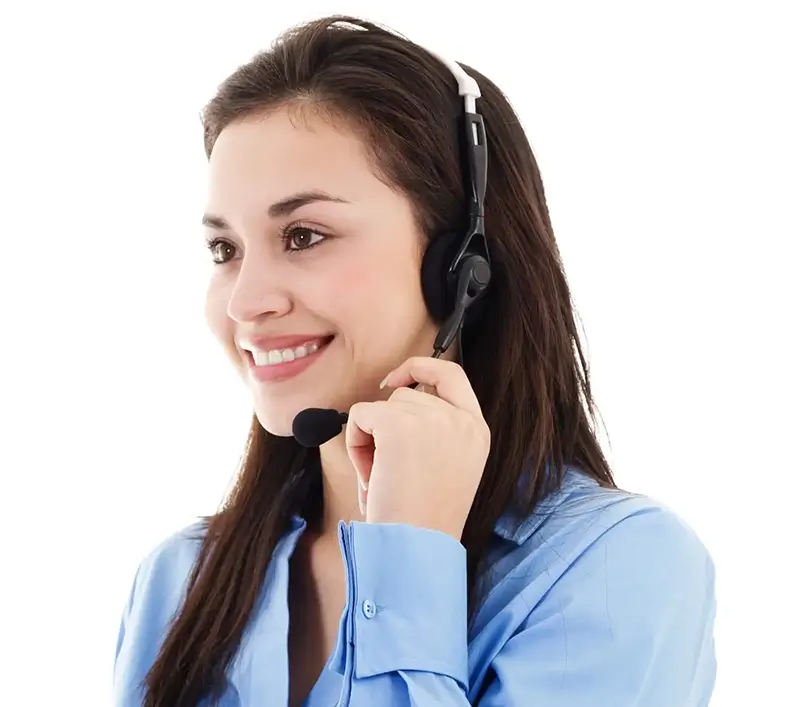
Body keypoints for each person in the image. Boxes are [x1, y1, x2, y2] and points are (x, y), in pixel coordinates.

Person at [112, 14, 717, 707]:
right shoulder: (179, 579)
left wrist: (408, 553)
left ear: (462, 266)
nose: (245, 301)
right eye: (226, 250)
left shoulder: (618, 567)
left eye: (304, 235)